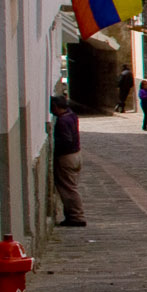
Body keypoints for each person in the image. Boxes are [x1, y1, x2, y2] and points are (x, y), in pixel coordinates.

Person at [51, 97, 86, 226]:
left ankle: (76, 216)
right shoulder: (72, 115)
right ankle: (74, 215)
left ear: (56, 107)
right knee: (71, 186)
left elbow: (66, 140)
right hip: (76, 154)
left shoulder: (62, 121)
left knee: (69, 188)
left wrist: (55, 147)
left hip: (67, 156)